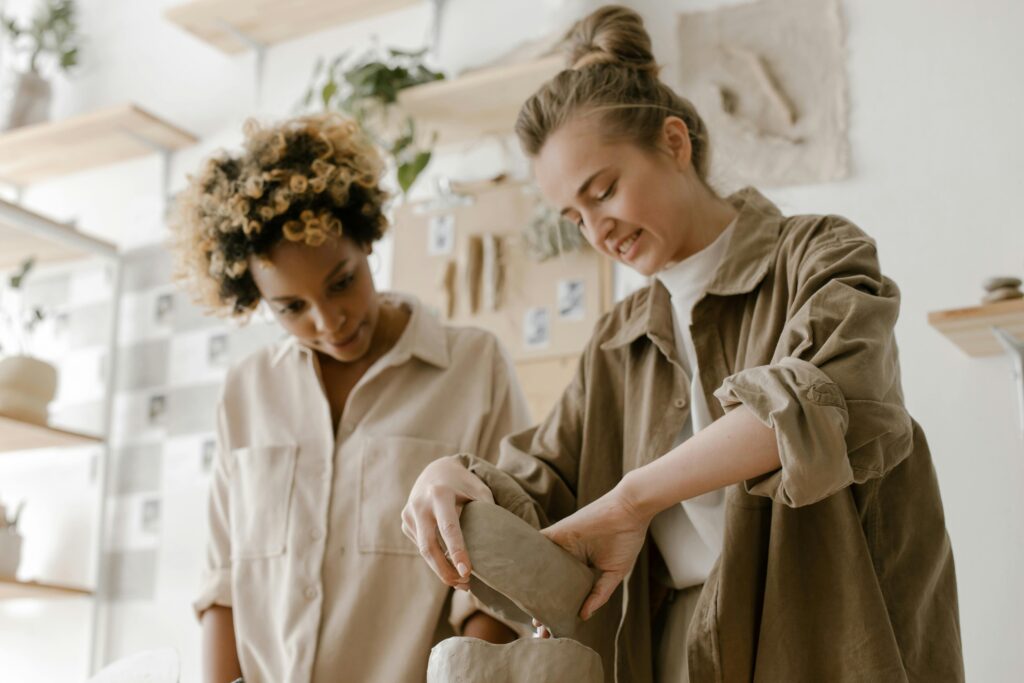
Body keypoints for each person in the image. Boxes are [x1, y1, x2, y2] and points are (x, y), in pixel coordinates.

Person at [402, 6, 963, 682]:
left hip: (830, 637)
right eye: (574, 217)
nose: (597, 230)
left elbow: (826, 400)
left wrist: (632, 498)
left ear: (673, 142)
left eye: (603, 190)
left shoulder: (819, 255)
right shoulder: (617, 338)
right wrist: (451, 477)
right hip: (673, 652)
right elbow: (544, 485)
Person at [172, 113, 531, 683]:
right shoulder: (247, 391)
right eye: (291, 308)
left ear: (366, 239)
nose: (329, 320)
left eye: (342, 282)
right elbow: (224, 582)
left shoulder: (474, 367)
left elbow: (501, 575)